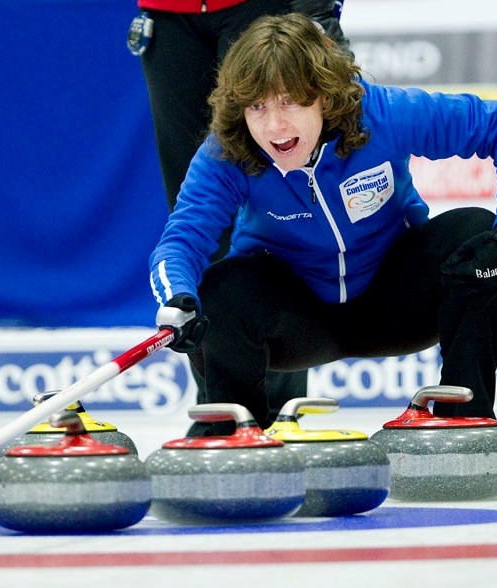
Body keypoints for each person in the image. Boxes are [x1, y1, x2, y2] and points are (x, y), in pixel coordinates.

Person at [149, 14, 497, 491]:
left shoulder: (382, 114)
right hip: (296, 319)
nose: (274, 127)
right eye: (256, 107)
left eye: (289, 102)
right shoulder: (228, 151)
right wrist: (178, 300)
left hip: (393, 302)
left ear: (325, 95)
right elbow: (181, 241)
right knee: (217, 288)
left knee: (478, 232)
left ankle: (468, 424)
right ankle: (236, 439)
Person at [134, 0, 350, 421]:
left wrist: (317, 14)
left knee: (280, 204)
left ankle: (281, 412)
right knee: (196, 213)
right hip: (169, 17)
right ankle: (223, 407)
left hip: (261, 8)